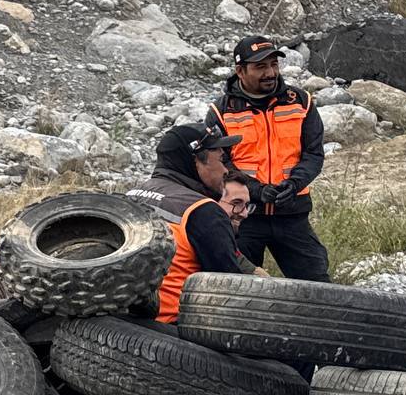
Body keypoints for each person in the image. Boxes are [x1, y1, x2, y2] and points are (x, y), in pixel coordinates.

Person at [213, 35, 330, 281]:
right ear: (240, 70)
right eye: (260, 66)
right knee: (238, 285)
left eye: (274, 65)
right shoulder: (222, 110)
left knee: (316, 284)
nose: (270, 73)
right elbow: (219, 163)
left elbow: (314, 154)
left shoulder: (301, 102)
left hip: (292, 214)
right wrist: (255, 190)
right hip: (243, 217)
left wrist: (295, 183)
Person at [126, 121, 251, 321]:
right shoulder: (203, 210)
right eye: (221, 158)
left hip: (122, 321)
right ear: (195, 161)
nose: (226, 170)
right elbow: (232, 289)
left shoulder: (131, 194)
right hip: (172, 330)